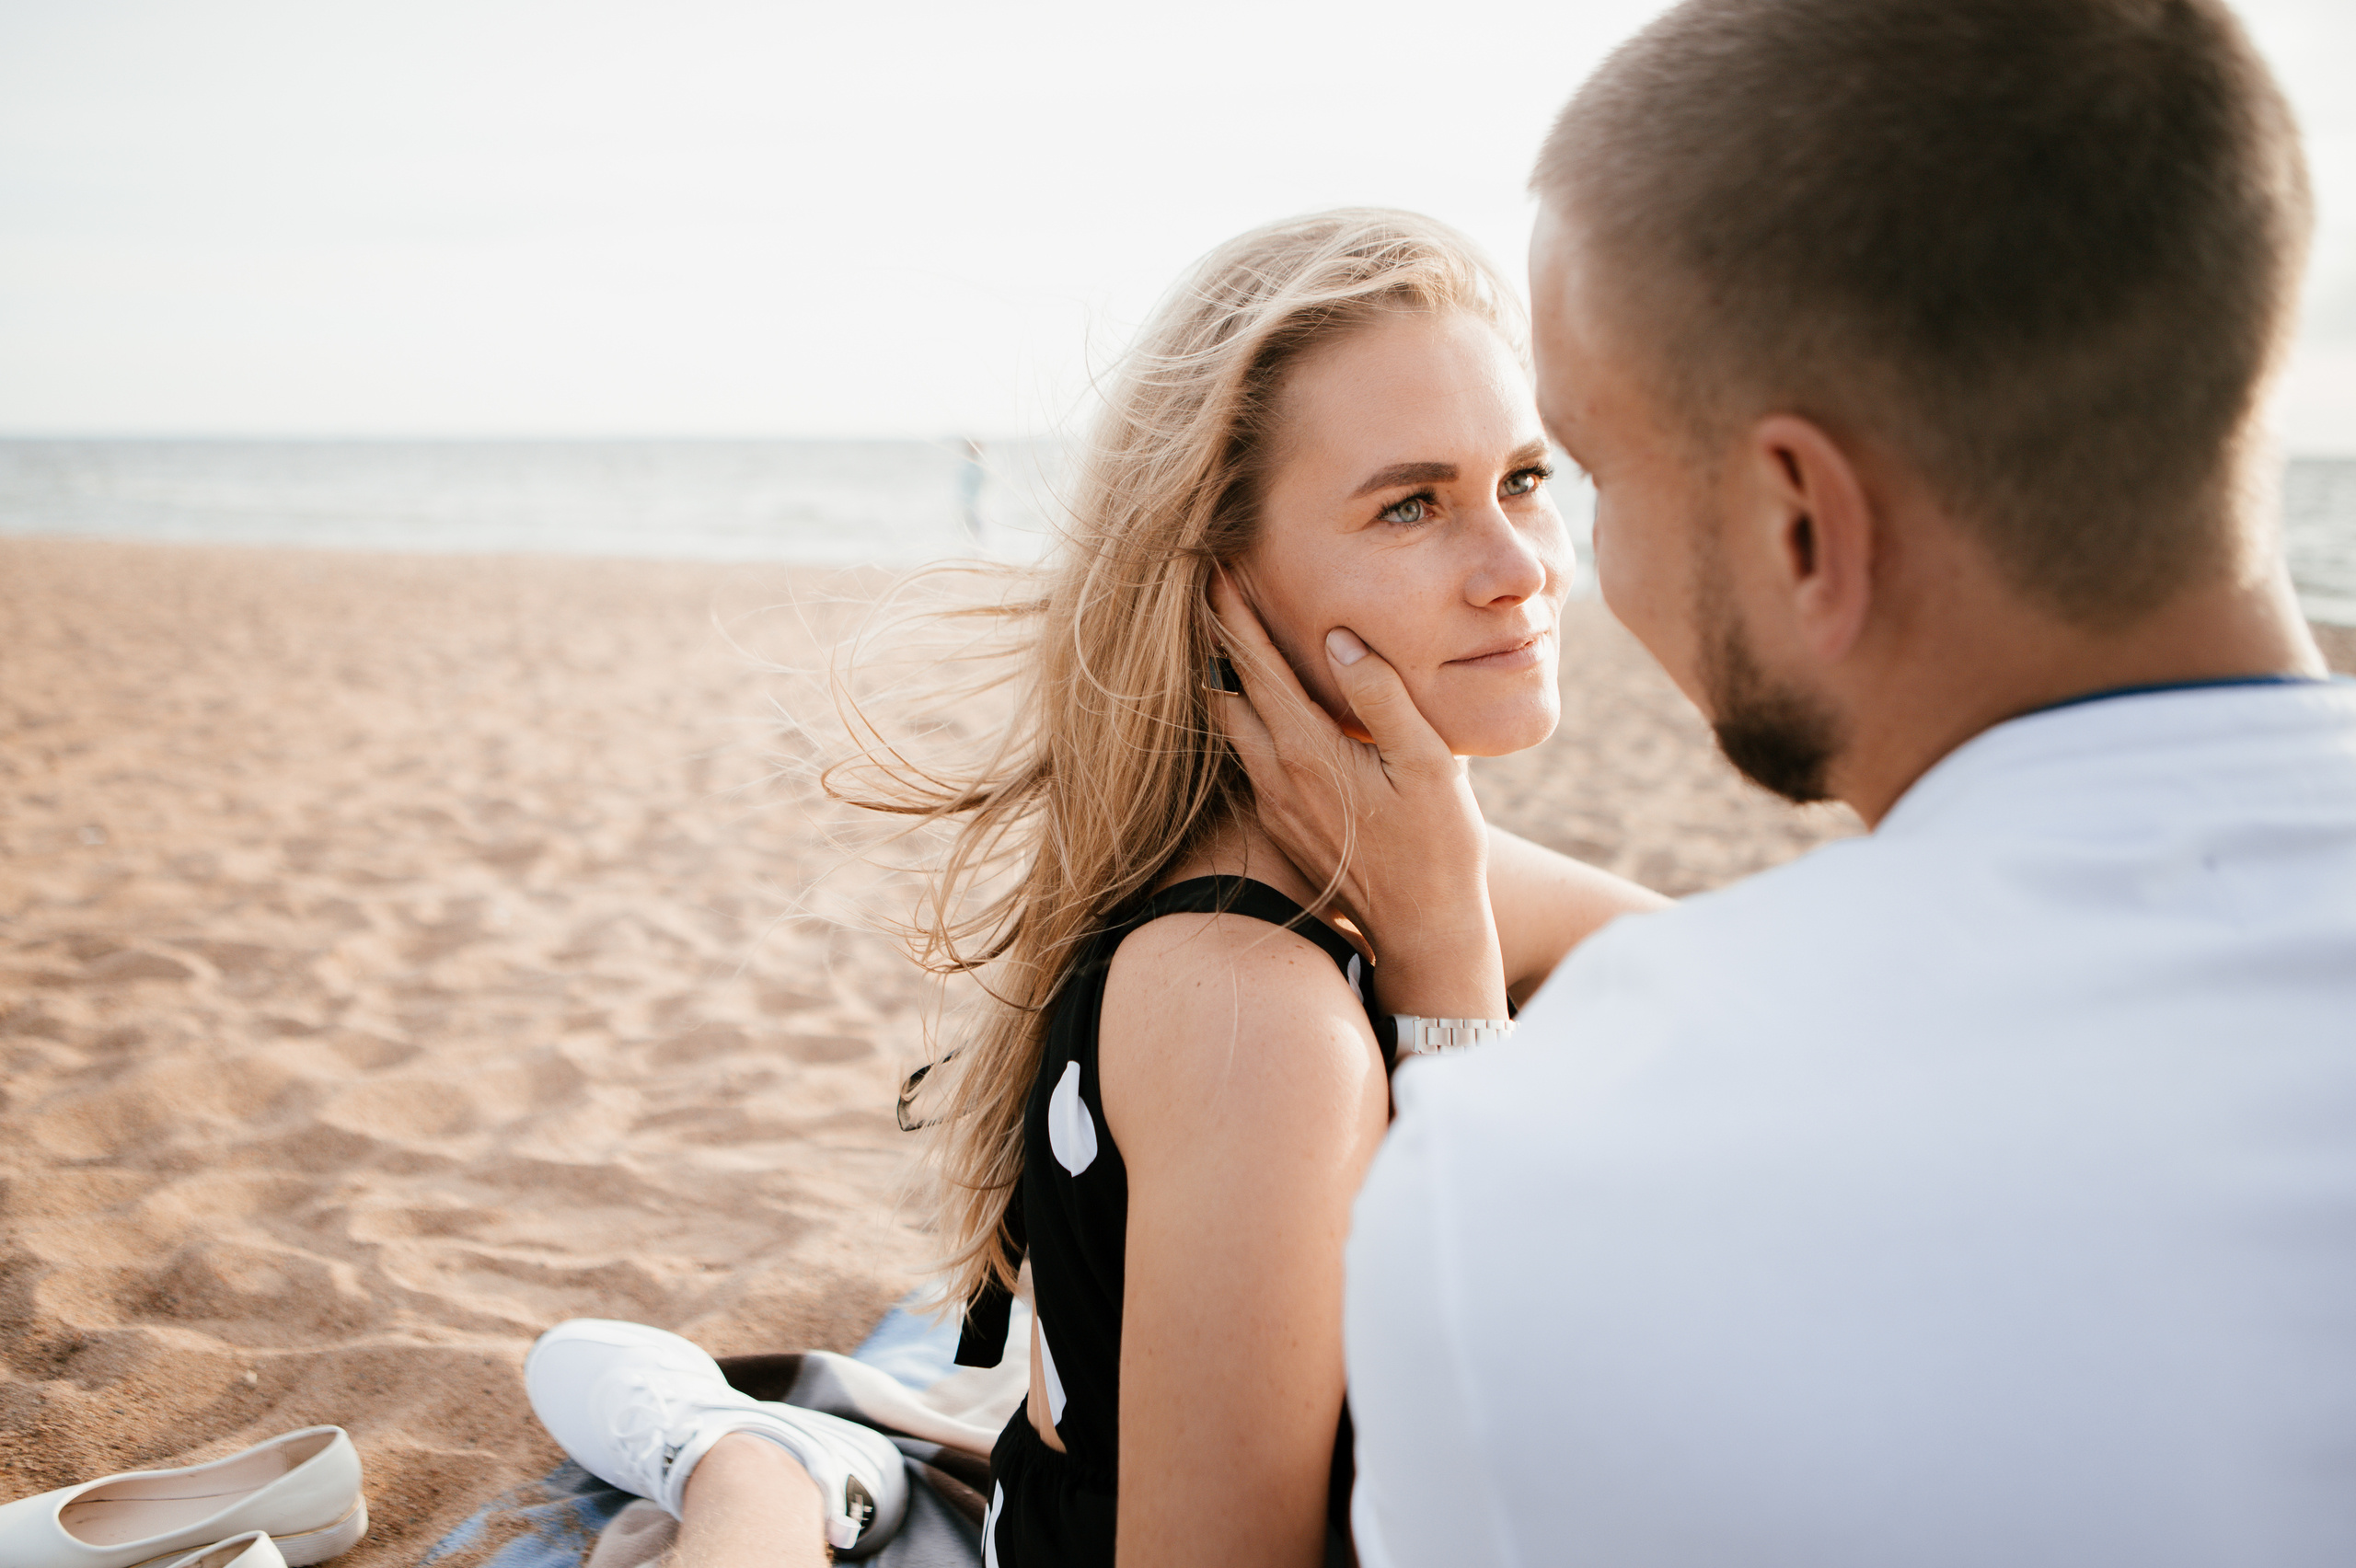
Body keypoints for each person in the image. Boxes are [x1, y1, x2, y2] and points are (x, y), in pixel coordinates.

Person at [1210, 1, 2356, 1563]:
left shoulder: (1534, 1176)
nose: (1546, 569)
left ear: (1800, 521)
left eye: (1576, 476)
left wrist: (1459, 1036)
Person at [521, 209, 1660, 1567]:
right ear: (1224, 581)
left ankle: (775, 1464)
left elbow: (1721, 990)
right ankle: (759, 1475)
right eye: (1411, 504)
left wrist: (1442, 913)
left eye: (1526, 479)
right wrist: (1453, 995)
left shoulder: (1375, 865)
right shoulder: (1256, 1016)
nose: (1521, 568)